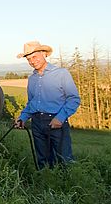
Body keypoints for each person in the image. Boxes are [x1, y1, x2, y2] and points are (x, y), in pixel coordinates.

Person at [13, 40, 80, 169]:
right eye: (29, 59)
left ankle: (69, 186)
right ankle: (45, 185)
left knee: (64, 160)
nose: (32, 61)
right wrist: (22, 118)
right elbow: (32, 103)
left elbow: (73, 99)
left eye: (34, 57)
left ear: (44, 54)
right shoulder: (32, 79)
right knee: (42, 160)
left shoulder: (61, 74)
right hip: (37, 123)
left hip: (56, 122)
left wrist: (60, 118)